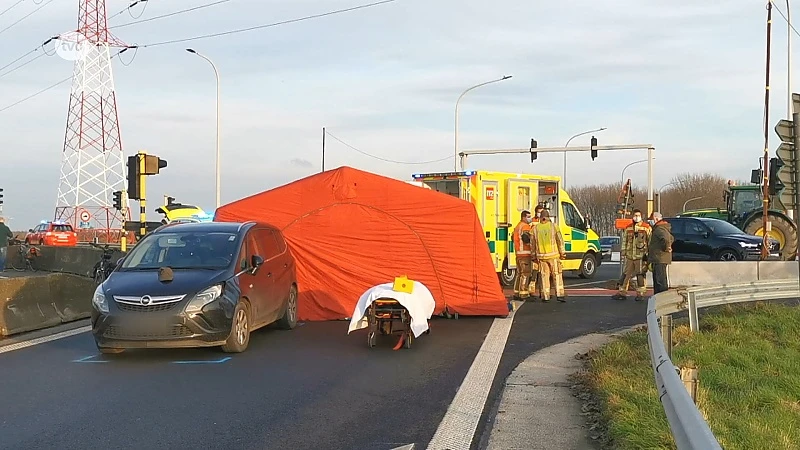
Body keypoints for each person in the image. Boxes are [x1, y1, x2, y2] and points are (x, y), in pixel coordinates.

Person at [613, 209, 651, 301]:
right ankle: (622, 292)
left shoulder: (646, 227)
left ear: (641, 216)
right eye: (635, 215)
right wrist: (623, 251)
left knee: (640, 275)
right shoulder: (628, 228)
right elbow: (624, 241)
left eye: (638, 215)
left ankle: (640, 294)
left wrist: (648, 254)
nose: (636, 217)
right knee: (625, 275)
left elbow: (650, 241)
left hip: (640, 256)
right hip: (630, 256)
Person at [532, 209, 567, 302]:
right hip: (554, 256)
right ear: (548, 217)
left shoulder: (535, 229)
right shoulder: (554, 227)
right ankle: (560, 295)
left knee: (544, 276)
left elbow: (533, 244)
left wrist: (533, 256)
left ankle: (545, 296)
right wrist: (562, 253)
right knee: (557, 275)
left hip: (542, 257)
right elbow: (560, 241)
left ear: (540, 218)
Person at [647, 212, 674, 294]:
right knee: (658, 279)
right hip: (658, 257)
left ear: (656, 219)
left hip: (659, 258)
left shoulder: (659, 229)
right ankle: (658, 296)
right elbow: (671, 238)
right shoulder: (662, 228)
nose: (650, 222)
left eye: (651, 220)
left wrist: (667, 247)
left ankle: (662, 297)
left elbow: (666, 239)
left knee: (660, 280)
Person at [512, 210, 534, 300]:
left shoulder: (518, 226)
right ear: (523, 217)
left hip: (518, 254)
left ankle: (517, 292)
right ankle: (523, 293)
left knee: (519, 274)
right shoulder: (525, 227)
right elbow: (527, 239)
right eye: (528, 216)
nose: (530, 218)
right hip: (525, 254)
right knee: (526, 274)